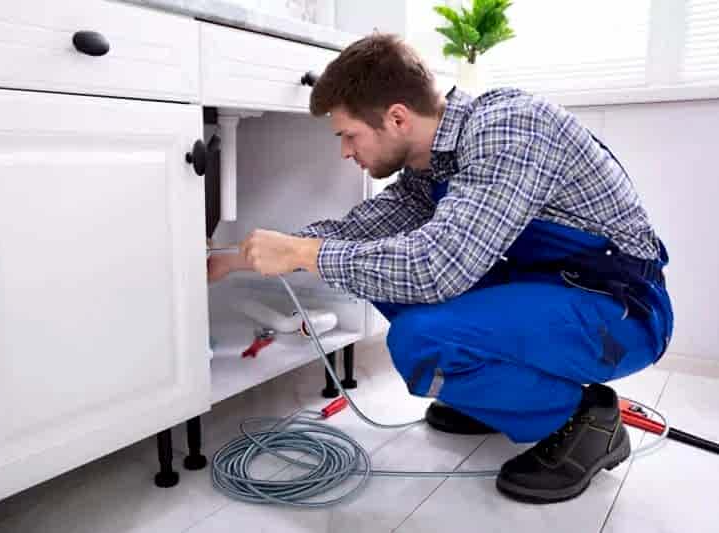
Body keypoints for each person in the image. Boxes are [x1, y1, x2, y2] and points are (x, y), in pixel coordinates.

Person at [207, 33, 673, 503]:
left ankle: (585, 420)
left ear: (397, 117)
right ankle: (497, 397)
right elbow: (358, 233)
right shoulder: (428, 165)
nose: (345, 152)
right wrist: (236, 260)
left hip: (619, 310)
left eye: (349, 135)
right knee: (376, 268)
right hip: (547, 291)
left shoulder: (510, 128)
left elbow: (436, 269)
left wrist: (304, 255)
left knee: (420, 338)